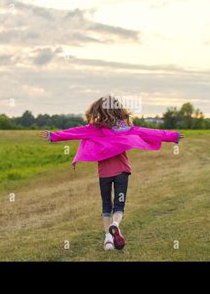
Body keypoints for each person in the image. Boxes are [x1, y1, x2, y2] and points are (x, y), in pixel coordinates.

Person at [40, 96, 183, 250]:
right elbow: (151, 133)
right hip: (122, 172)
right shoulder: (127, 129)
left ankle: (108, 240)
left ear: (98, 110)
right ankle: (115, 225)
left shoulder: (93, 129)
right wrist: (172, 136)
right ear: (118, 110)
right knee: (119, 206)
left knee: (106, 206)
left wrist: (52, 136)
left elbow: (73, 132)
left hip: (104, 174)